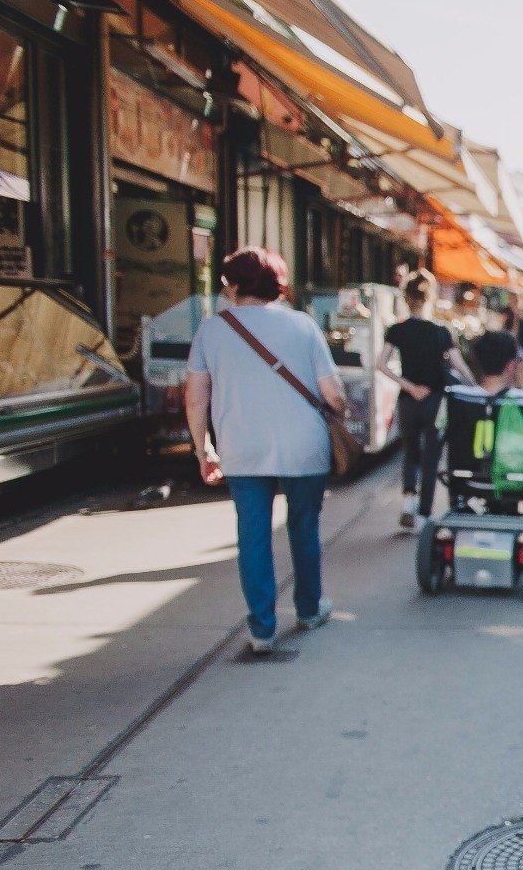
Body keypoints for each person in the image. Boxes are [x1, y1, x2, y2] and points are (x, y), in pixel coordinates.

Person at [183, 247, 343, 655]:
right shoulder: (302, 326)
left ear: (233, 286)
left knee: (252, 536)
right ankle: (309, 609)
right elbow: (332, 393)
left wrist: (203, 451)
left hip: (242, 447)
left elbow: (196, 397)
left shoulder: (211, 330)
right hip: (303, 443)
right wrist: (340, 408)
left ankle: (262, 630)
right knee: (303, 528)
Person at [382, 270, 476, 529]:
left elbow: (382, 364)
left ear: (405, 298)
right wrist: (476, 387)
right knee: (432, 456)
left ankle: (408, 502)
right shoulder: (440, 332)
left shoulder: (397, 330)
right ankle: (424, 514)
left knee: (410, 452)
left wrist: (409, 387)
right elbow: (459, 366)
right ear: (430, 297)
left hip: (408, 400)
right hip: (436, 401)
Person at [434, 330, 523, 479]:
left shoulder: (456, 397)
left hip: (466, 481)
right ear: (511, 365)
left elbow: (438, 434)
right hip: (519, 485)